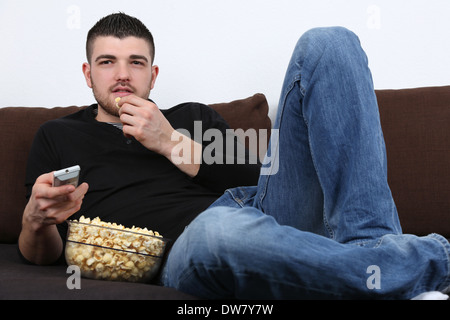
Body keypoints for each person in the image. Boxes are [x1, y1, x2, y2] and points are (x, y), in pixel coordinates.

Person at [18, 13, 449, 299]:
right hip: (190, 248)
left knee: (328, 42)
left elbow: (259, 178)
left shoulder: (190, 116)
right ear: (88, 73)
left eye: (136, 62)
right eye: (108, 62)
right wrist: (36, 220)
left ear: (152, 74)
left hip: (262, 212)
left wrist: (169, 141)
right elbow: (42, 254)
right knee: (219, 230)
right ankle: (429, 264)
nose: (123, 75)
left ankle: (374, 251)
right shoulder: (58, 135)